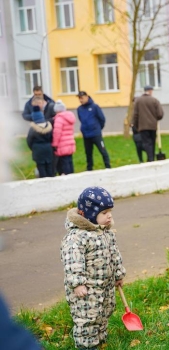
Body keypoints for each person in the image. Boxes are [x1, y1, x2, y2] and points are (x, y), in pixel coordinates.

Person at [60, 186, 125, 350]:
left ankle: (100, 338)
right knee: (87, 318)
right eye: (104, 212)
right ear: (89, 213)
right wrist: (77, 283)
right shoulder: (76, 238)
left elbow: (114, 254)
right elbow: (72, 261)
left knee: (104, 312)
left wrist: (118, 273)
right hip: (87, 291)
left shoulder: (106, 232)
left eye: (110, 211)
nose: (109, 215)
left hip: (105, 287)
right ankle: (86, 346)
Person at [77, 91, 111, 171]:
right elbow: (81, 119)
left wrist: (98, 128)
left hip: (96, 134)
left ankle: (108, 166)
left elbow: (102, 119)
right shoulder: (79, 109)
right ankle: (89, 168)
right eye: (79, 98)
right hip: (86, 134)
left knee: (103, 150)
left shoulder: (95, 107)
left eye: (82, 98)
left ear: (87, 97)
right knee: (88, 153)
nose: (81, 100)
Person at [132, 86, 164, 162]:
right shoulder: (155, 100)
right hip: (153, 126)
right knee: (152, 142)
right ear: (150, 91)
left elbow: (135, 115)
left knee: (146, 143)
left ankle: (150, 159)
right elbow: (160, 114)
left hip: (142, 127)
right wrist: (155, 119)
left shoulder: (138, 101)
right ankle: (151, 158)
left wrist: (136, 125)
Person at [27, 96, 54, 178]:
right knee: (49, 167)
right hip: (48, 149)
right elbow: (51, 137)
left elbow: (29, 141)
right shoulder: (48, 127)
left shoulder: (33, 129)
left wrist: (33, 148)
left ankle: (43, 181)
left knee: (41, 168)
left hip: (38, 150)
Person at [51, 100, 76, 175]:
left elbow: (57, 133)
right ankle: (72, 174)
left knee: (64, 162)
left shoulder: (59, 119)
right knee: (69, 160)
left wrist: (54, 144)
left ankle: (67, 176)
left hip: (62, 144)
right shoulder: (69, 117)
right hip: (70, 143)